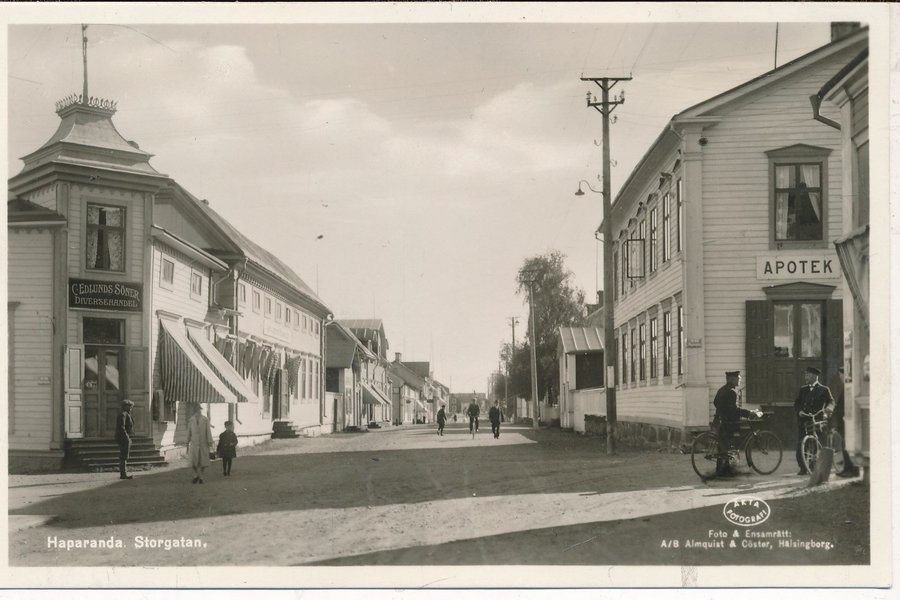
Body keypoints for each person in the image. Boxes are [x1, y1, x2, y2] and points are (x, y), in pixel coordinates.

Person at [712, 371, 760, 475]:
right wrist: (748, 413)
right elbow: (733, 410)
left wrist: (722, 411)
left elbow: (715, 402)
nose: (739, 380)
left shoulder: (721, 389)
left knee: (723, 447)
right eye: (738, 378)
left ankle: (721, 470)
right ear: (732, 379)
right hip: (728, 423)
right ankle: (725, 471)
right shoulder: (731, 392)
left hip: (719, 421)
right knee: (728, 446)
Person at [793, 366, 835, 475]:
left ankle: (813, 466)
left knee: (815, 443)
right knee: (801, 444)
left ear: (815, 376)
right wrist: (799, 411)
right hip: (804, 420)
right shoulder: (803, 390)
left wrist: (828, 409)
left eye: (808, 375)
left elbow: (831, 401)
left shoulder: (824, 389)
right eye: (806, 375)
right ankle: (802, 467)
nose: (806, 377)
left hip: (817, 420)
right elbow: (797, 403)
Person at [832, 367, 859, 478]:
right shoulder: (846, 387)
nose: (840, 377)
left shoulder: (848, 387)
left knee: (848, 444)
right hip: (844, 421)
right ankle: (848, 468)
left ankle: (851, 469)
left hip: (846, 420)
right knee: (845, 444)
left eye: (841, 375)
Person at [186, 403, 214, 484]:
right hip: (194, 443)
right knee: (193, 461)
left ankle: (201, 477)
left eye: (199, 409)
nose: (198, 411)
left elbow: (208, 431)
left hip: (203, 443)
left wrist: (209, 441)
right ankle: (195, 475)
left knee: (203, 462)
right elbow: (189, 432)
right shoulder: (191, 420)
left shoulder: (205, 419)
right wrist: (187, 441)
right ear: (194, 410)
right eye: (197, 409)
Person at [115, 399, 135, 480]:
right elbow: (122, 427)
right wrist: (127, 438)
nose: (131, 408)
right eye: (130, 406)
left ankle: (123, 474)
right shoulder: (123, 415)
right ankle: (123, 474)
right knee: (124, 456)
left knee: (124, 456)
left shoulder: (126, 414)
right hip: (123, 438)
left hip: (125, 437)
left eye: (131, 407)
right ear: (125, 406)